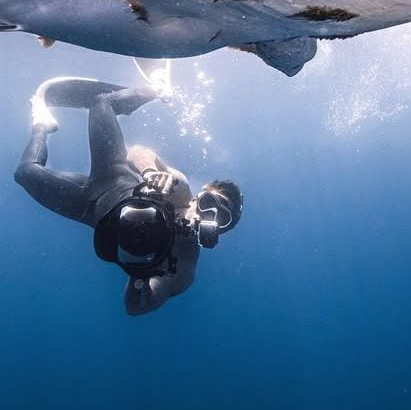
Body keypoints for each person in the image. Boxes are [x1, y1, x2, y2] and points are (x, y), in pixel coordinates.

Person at [15, 76, 243, 316]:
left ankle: (41, 125)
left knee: (25, 173)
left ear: (219, 231)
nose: (206, 215)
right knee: (101, 102)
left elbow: (135, 306)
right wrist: (151, 172)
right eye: (208, 202)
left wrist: (140, 276)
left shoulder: (183, 264)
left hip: (87, 209)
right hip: (112, 173)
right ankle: (156, 89)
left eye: (220, 219)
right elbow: (137, 152)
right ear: (199, 196)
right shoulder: (180, 190)